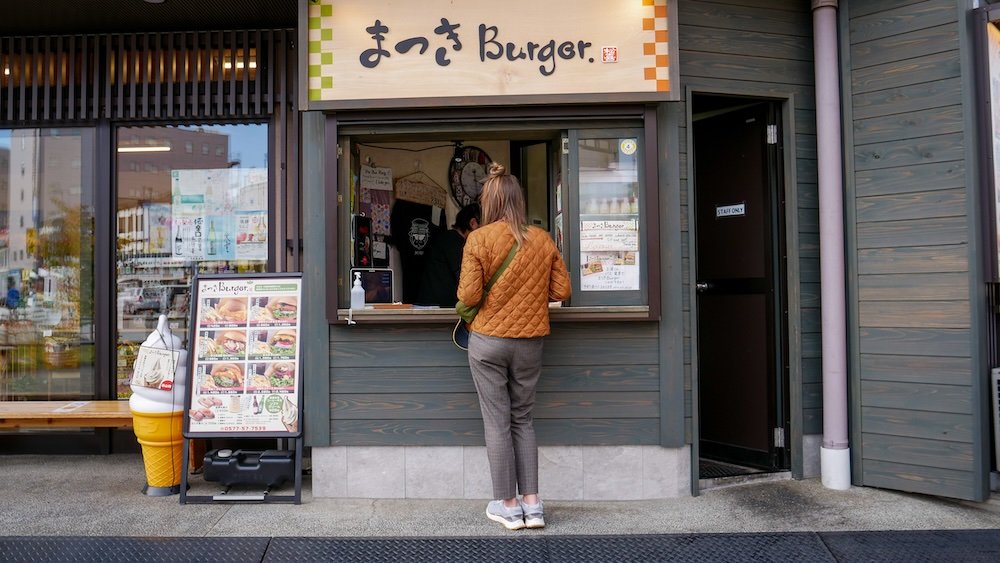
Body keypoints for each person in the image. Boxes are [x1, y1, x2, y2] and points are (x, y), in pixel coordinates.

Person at [457, 163, 571, 531]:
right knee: (523, 419)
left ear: (488, 202)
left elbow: (469, 295)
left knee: (497, 422)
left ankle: (508, 506)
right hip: (530, 343)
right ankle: (533, 505)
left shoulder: (478, 239)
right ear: (519, 200)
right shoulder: (542, 238)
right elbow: (562, 292)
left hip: (488, 342)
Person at [417, 203, 480, 307]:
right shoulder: (454, 242)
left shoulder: (448, 238)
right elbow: (464, 276)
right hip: (437, 309)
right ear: (473, 223)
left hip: (433, 305)